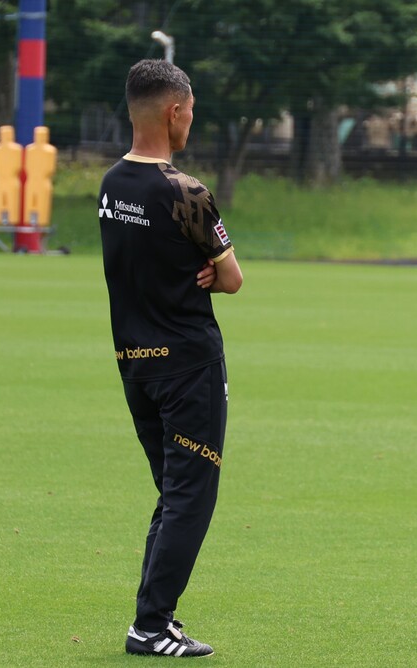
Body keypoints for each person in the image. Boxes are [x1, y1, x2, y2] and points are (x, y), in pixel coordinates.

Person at [98, 58, 243, 658]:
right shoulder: (187, 191)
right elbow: (231, 278)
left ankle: (154, 621)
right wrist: (204, 269)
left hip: (135, 363)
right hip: (188, 366)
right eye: (191, 112)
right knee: (190, 498)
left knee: (172, 492)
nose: (191, 122)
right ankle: (151, 626)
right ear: (174, 111)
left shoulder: (111, 185)